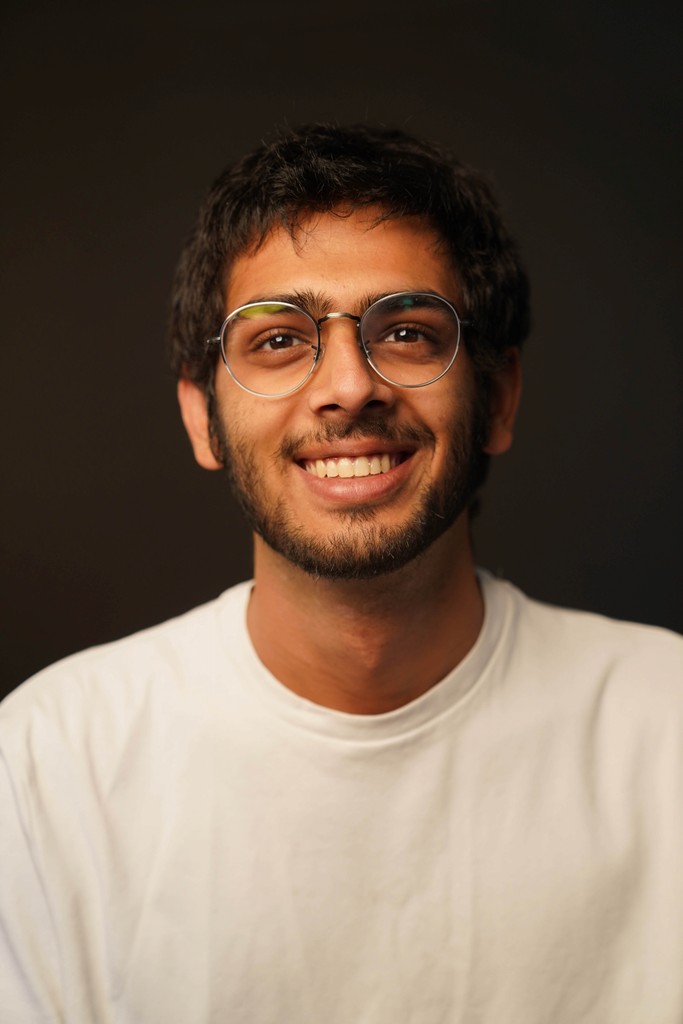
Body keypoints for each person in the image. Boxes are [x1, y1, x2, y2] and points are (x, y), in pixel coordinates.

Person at [1, 123, 682, 1024]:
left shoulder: (666, 729)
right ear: (202, 418)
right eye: (279, 341)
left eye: (405, 332)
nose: (349, 386)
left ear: (497, 397)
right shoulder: (47, 765)